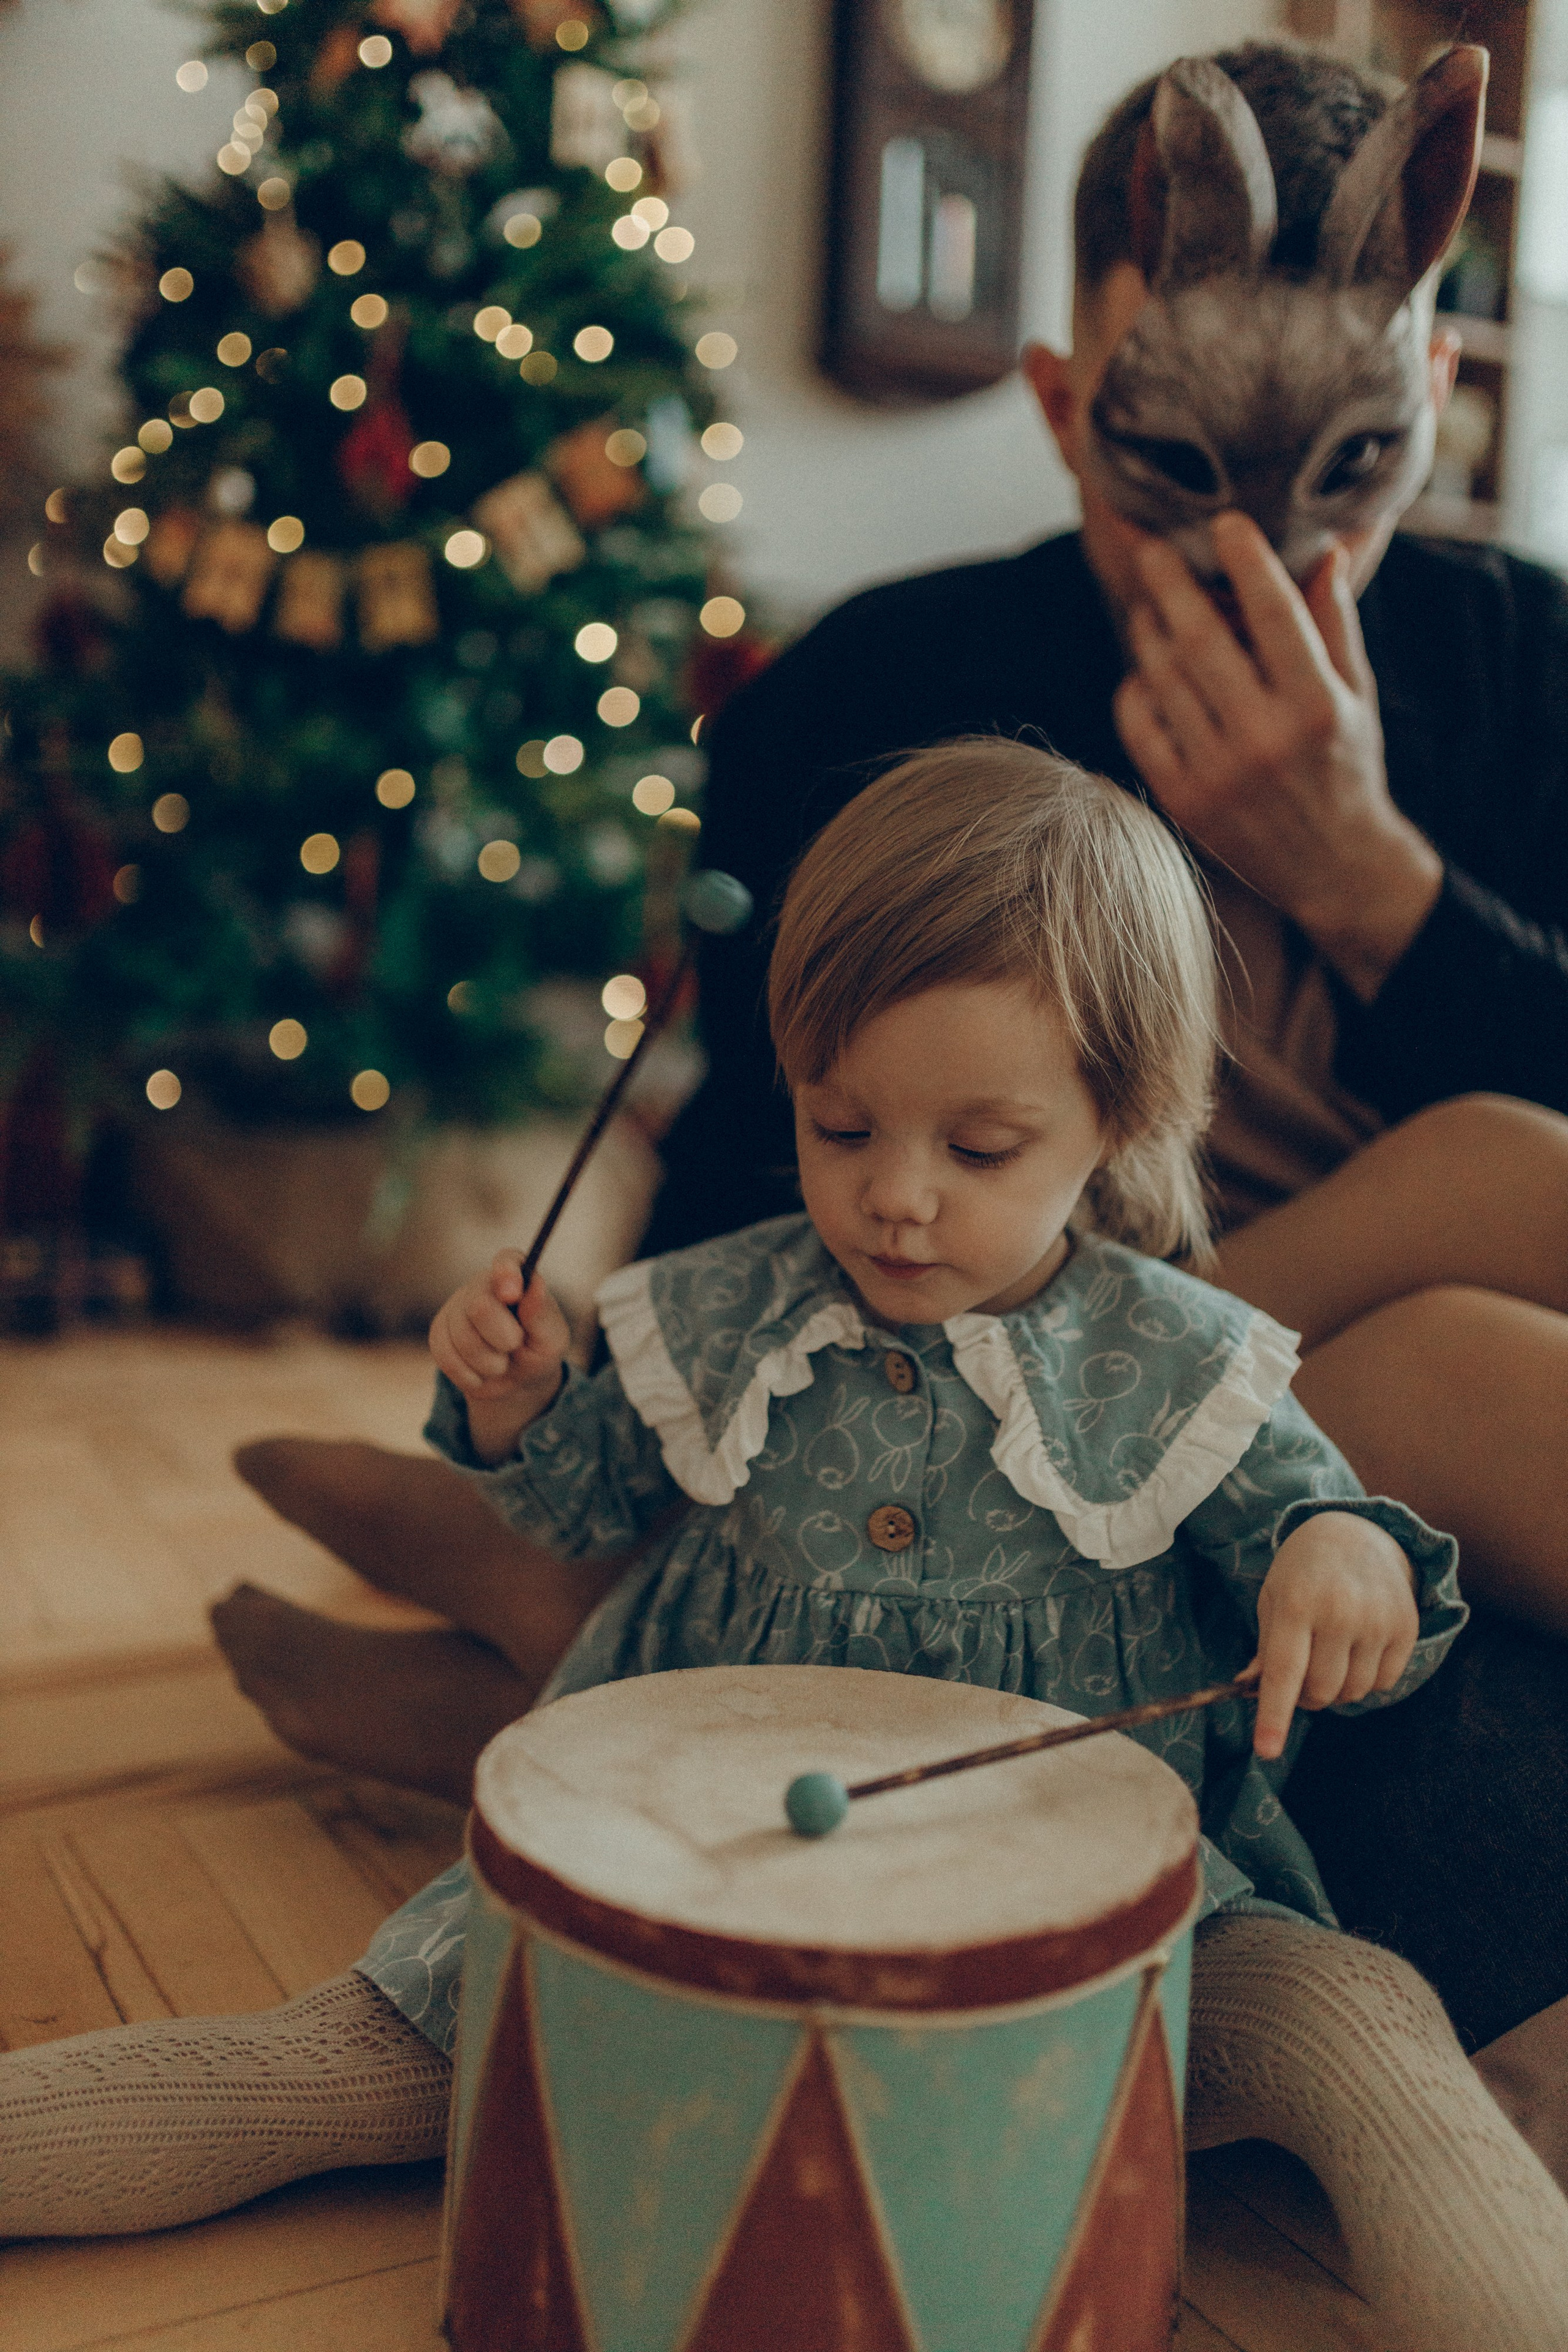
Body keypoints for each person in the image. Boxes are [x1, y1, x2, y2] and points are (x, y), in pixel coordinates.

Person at [214, 37, 1568, 2041]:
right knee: (1464, 1318)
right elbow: (801, 1161)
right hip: (1031, 1408)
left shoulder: (1524, 658)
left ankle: (560, 1657)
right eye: (1179, 452)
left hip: (1308, 1477)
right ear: (1064, 406)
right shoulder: (886, 688)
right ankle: (597, 1619)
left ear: (1431, 385)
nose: (1260, 544)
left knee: (1502, 1210)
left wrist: (1370, 878)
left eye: (1343, 458)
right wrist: (599, 1403)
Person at [7, 742, 1567, 2349]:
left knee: (1358, 2023)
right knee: (329, 2066)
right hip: (699, 1866)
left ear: (1121, 1119)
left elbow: (1318, 1515)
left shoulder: (1179, 1361)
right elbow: (579, 1506)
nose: (895, 1198)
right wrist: (520, 1403)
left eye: (978, 1150)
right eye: (841, 1126)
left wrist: (1342, 1555)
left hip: (1085, 1907)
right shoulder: (732, 1310)